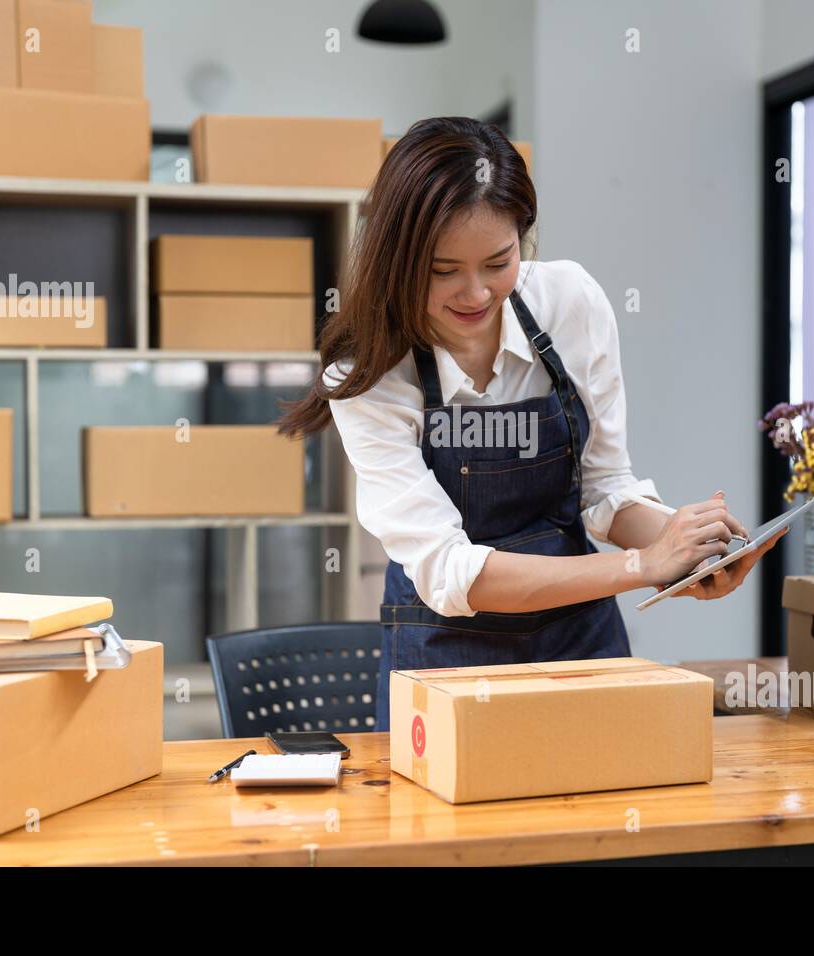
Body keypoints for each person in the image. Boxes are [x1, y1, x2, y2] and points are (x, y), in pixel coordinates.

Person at [278, 116, 782, 731]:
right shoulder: (368, 376)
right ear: (396, 259)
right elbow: (450, 570)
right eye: (443, 270)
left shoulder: (570, 302)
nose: (475, 293)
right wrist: (641, 567)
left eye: (499, 261)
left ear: (524, 237)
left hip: (581, 641)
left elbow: (601, 488)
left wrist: (685, 545)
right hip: (446, 658)